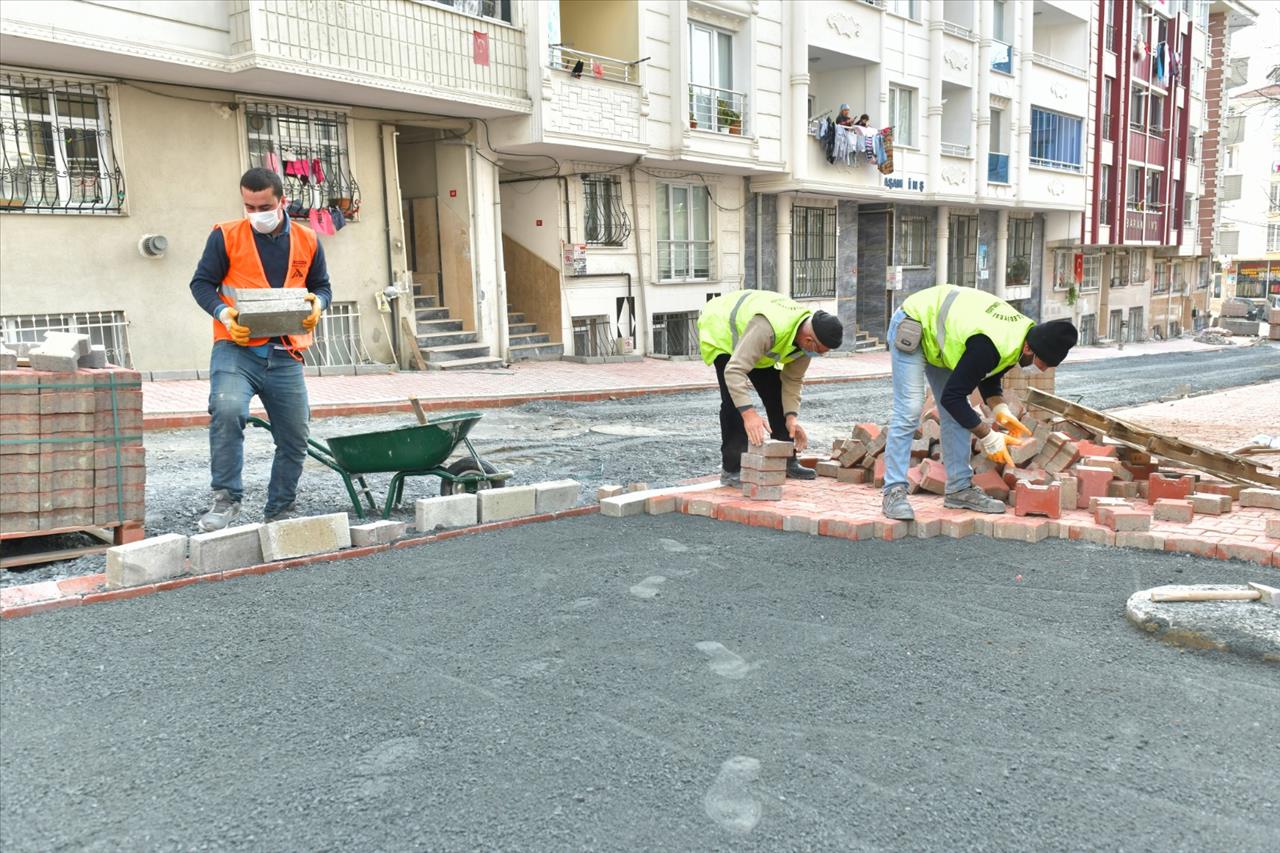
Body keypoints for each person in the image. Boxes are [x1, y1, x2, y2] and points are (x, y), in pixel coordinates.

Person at [189, 167, 331, 531]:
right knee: (227, 409)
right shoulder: (225, 236)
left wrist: (319, 305)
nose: (256, 214)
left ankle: (280, 509)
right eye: (248, 207)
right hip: (236, 349)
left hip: (285, 355)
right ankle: (226, 500)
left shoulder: (308, 240)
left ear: (282, 201)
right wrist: (223, 311)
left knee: (295, 435)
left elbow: (322, 286)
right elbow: (202, 284)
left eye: (263, 206)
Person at [881, 284, 1077, 521]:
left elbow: (988, 376)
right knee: (910, 408)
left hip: (942, 338)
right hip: (915, 321)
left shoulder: (1020, 337)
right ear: (1028, 348)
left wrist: (1000, 408)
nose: (1041, 369)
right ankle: (894, 491)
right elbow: (953, 396)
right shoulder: (992, 343)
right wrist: (988, 435)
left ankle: (959, 489)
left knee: (955, 413)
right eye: (1042, 362)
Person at [698, 290, 844, 486]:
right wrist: (749, 414)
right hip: (722, 331)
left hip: (758, 344)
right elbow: (734, 372)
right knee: (734, 403)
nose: (820, 355)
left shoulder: (804, 345)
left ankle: (785, 460)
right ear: (809, 341)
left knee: (777, 394)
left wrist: (791, 417)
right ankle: (732, 470)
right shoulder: (768, 328)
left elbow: (792, 380)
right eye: (820, 351)